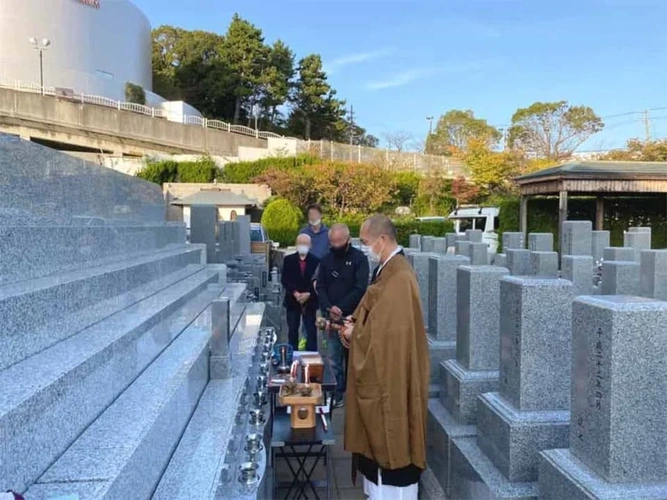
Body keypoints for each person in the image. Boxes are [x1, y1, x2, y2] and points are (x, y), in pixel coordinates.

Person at [340, 214, 429, 500]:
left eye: (366, 242)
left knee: (391, 437)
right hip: (382, 370)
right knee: (374, 444)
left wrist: (357, 335)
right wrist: (355, 325)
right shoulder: (386, 270)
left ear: (382, 239)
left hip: (391, 375)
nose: (364, 248)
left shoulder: (400, 276)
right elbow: (376, 319)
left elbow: (391, 336)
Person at [316, 223, 369, 408]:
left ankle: (354, 395)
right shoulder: (326, 259)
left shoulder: (359, 259)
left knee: (353, 359)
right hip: (331, 318)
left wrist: (342, 306)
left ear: (348, 239)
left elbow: (360, 288)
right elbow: (320, 286)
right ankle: (336, 394)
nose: (336, 245)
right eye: (333, 242)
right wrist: (329, 307)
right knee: (333, 358)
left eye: (339, 242)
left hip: (352, 317)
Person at [281, 234, 320, 352]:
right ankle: (292, 357)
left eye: (305, 243)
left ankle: (311, 357)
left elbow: (319, 281)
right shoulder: (288, 260)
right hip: (293, 300)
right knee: (292, 330)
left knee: (311, 331)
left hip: (310, 301)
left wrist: (308, 294)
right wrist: (295, 293)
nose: (302, 245)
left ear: (310, 245)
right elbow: (285, 279)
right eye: (300, 243)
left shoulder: (316, 261)